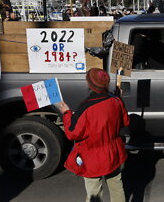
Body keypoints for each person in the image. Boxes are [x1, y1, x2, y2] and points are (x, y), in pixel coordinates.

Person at [55, 68, 130, 202]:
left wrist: (66, 113)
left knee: (94, 191)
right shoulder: (116, 101)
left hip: (91, 157)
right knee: (117, 187)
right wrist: (118, 98)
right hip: (113, 152)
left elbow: (72, 133)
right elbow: (125, 121)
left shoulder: (85, 107)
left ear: (88, 84)